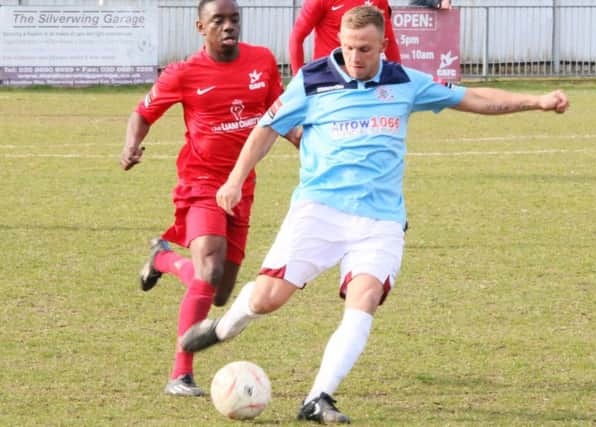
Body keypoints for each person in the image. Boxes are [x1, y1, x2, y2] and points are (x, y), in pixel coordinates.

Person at [180, 5, 569, 423]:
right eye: (348, 47)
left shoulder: (405, 81)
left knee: (364, 299)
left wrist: (537, 101)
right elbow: (266, 129)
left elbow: (473, 98)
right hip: (319, 211)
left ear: (383, 45)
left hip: (381, 220)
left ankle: (318, 397)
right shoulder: (312, 80)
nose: (355, 57)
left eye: (364, 48)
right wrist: (235, 179)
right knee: (266, 299)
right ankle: (225, 328)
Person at [120, 0, 299, 397]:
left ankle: (162, 258)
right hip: (201, 183)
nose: (228, 26)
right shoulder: (183, 72)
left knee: (219, 295)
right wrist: (131, 146)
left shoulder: (262, 61)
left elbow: (277, 113)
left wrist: (303, 141)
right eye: (218, 20)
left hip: (242, 187)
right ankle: (180, 373)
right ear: (200, 27)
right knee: (210, 270)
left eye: (234, 19)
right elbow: (143, 113)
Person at [289, 0, 401, 75]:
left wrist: (399, 74)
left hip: (365, 74)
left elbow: (388, 38)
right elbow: (296, 38)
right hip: (329, 75)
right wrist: (298, 79)